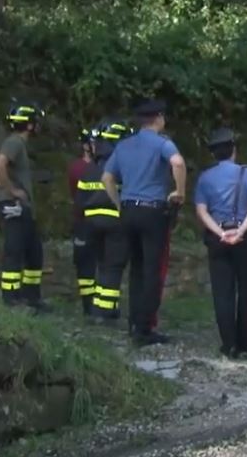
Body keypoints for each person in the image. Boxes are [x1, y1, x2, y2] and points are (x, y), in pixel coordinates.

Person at [102, 100, 186, 347]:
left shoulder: (124, 145)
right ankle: (144, 327)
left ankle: (133, 322)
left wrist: (118, 203)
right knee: (152, 270)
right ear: (159, 118)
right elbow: (178, 163)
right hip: (152, 211)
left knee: (136, 269)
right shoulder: (162, 144)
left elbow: (107, 177)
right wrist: (179, 192)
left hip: (128, 210)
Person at [194, 129, 247, 359]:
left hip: (217, 239)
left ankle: (229, 344)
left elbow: (201, 211)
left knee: (222, 292)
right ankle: (246, 344)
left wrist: (220, 233)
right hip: (245, 239)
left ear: (214, 154)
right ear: (234, 149)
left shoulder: (205, 178)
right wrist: (241, 230)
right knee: (246, 291)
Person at [0, 102, 50, 312]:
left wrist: (4, 186)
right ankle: (11, 298)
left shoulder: (16, 143)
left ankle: (32, 297)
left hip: (22, 206)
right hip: (13, 205)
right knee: (14, 251)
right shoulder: (15, 142)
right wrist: (12, 191)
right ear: (30, 125)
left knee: (34, 252)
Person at [78, 121, 131, 322]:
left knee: (102, 264)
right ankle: (105, 312)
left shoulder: (89, 169)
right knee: (113, 266)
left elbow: (80, 200)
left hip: (91, 222)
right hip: (115, 220)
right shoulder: (122, 167)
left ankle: (99, 307)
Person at [69, 127, 96, 315]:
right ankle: (88, 304)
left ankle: (101, 304)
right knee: (84, 263)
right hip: (83, 221)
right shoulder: (78, 168)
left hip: (99, 220)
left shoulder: (105, 166)